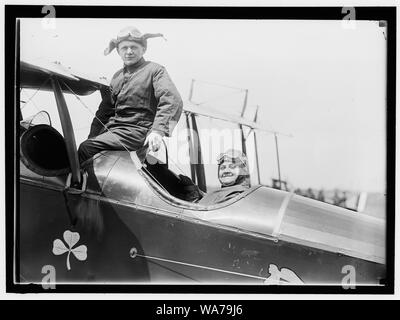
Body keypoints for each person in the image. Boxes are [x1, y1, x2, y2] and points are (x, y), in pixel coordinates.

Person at [78, 26, 183, 164]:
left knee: (86, 148)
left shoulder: (155, 70)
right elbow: (104, 112)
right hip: (115, 131)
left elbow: (173, 100)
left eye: (134, 47)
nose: (129, 52)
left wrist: (158, 131)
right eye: (124, 48)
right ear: (118, 52)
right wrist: (92, 136)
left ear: (143, 49)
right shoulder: (117, 77)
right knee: (87, 146)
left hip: (138, 132)